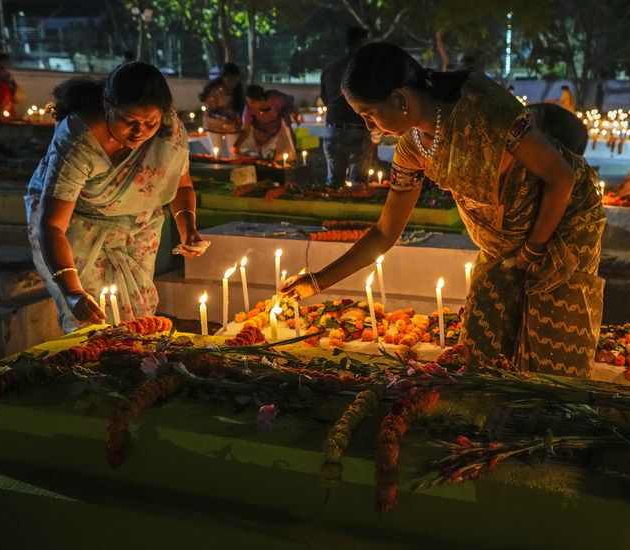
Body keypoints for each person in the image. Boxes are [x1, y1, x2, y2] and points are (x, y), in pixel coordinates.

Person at [280, 43, 607, 376]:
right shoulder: (413, 148)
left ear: (400, 99)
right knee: (482, 349)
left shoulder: (485, 109)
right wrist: (317, 282)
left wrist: (533, 251)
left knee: (551, 343)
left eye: (368, 114)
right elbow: (385, 231)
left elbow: (561, 178)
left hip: (565, 217)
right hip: (504, 235)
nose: (368, 126)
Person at [24, 62, 206, 334]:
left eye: (150, 123)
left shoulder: (169, 133)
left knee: (140, 321)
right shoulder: (78, 141)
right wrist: (73, 292)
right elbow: (51, 226)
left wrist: (188, 230)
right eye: (129, 121)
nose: (139, 131)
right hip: (78, 228)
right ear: (107, 105)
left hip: (137, 230)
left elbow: (181, 186)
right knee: (91, 326)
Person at [320, 27, 372, 188]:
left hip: (332, 129)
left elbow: (325, 99)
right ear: (360, 43)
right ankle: (355, 212)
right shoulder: (365, 69)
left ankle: (331, 211)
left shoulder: (329, 68)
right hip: (357, 129)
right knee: (358, 184)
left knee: (334, 183)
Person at [233, 85, 302, 160]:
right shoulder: (249, 109)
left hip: (279, 129)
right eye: (248, 102)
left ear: (261, 99)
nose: (250, 105)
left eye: (253, 102)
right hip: (261, 133)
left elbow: (289, 104)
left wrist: (294, 114)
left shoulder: (276, 99)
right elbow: (246, 130)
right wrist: (236, 145)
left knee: (285, 156)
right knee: (264, 157)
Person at [199, 62, 245, 158]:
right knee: (216, 152)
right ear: (223, 78)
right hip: (213, 124)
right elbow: (210, 111)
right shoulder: (216, 91)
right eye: (229, 80)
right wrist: (224, 118)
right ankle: (215, 171)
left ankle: (234, 171)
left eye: (235, 80)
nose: (232, 83)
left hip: (232, 125)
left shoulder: (239, 92)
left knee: (233, 152)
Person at [0, 51, 19, 121]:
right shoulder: (0, 70)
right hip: (2, 91)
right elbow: (6, 80)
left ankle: (0, 117)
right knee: (5, 106)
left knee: (0, 106)